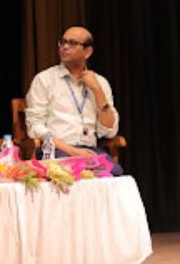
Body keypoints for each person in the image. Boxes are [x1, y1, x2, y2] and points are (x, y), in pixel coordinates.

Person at [25, 26, 124, 176]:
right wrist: (73, 151)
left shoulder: (100, 82)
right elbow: (35, 126)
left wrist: (98, 91)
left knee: (115, 172)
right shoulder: (44, 80)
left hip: (88, 150)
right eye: (62, 42)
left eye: (72, 43)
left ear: (87, 52)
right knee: (76, 171)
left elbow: (109, 131)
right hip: (56, 150)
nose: (64, 47)